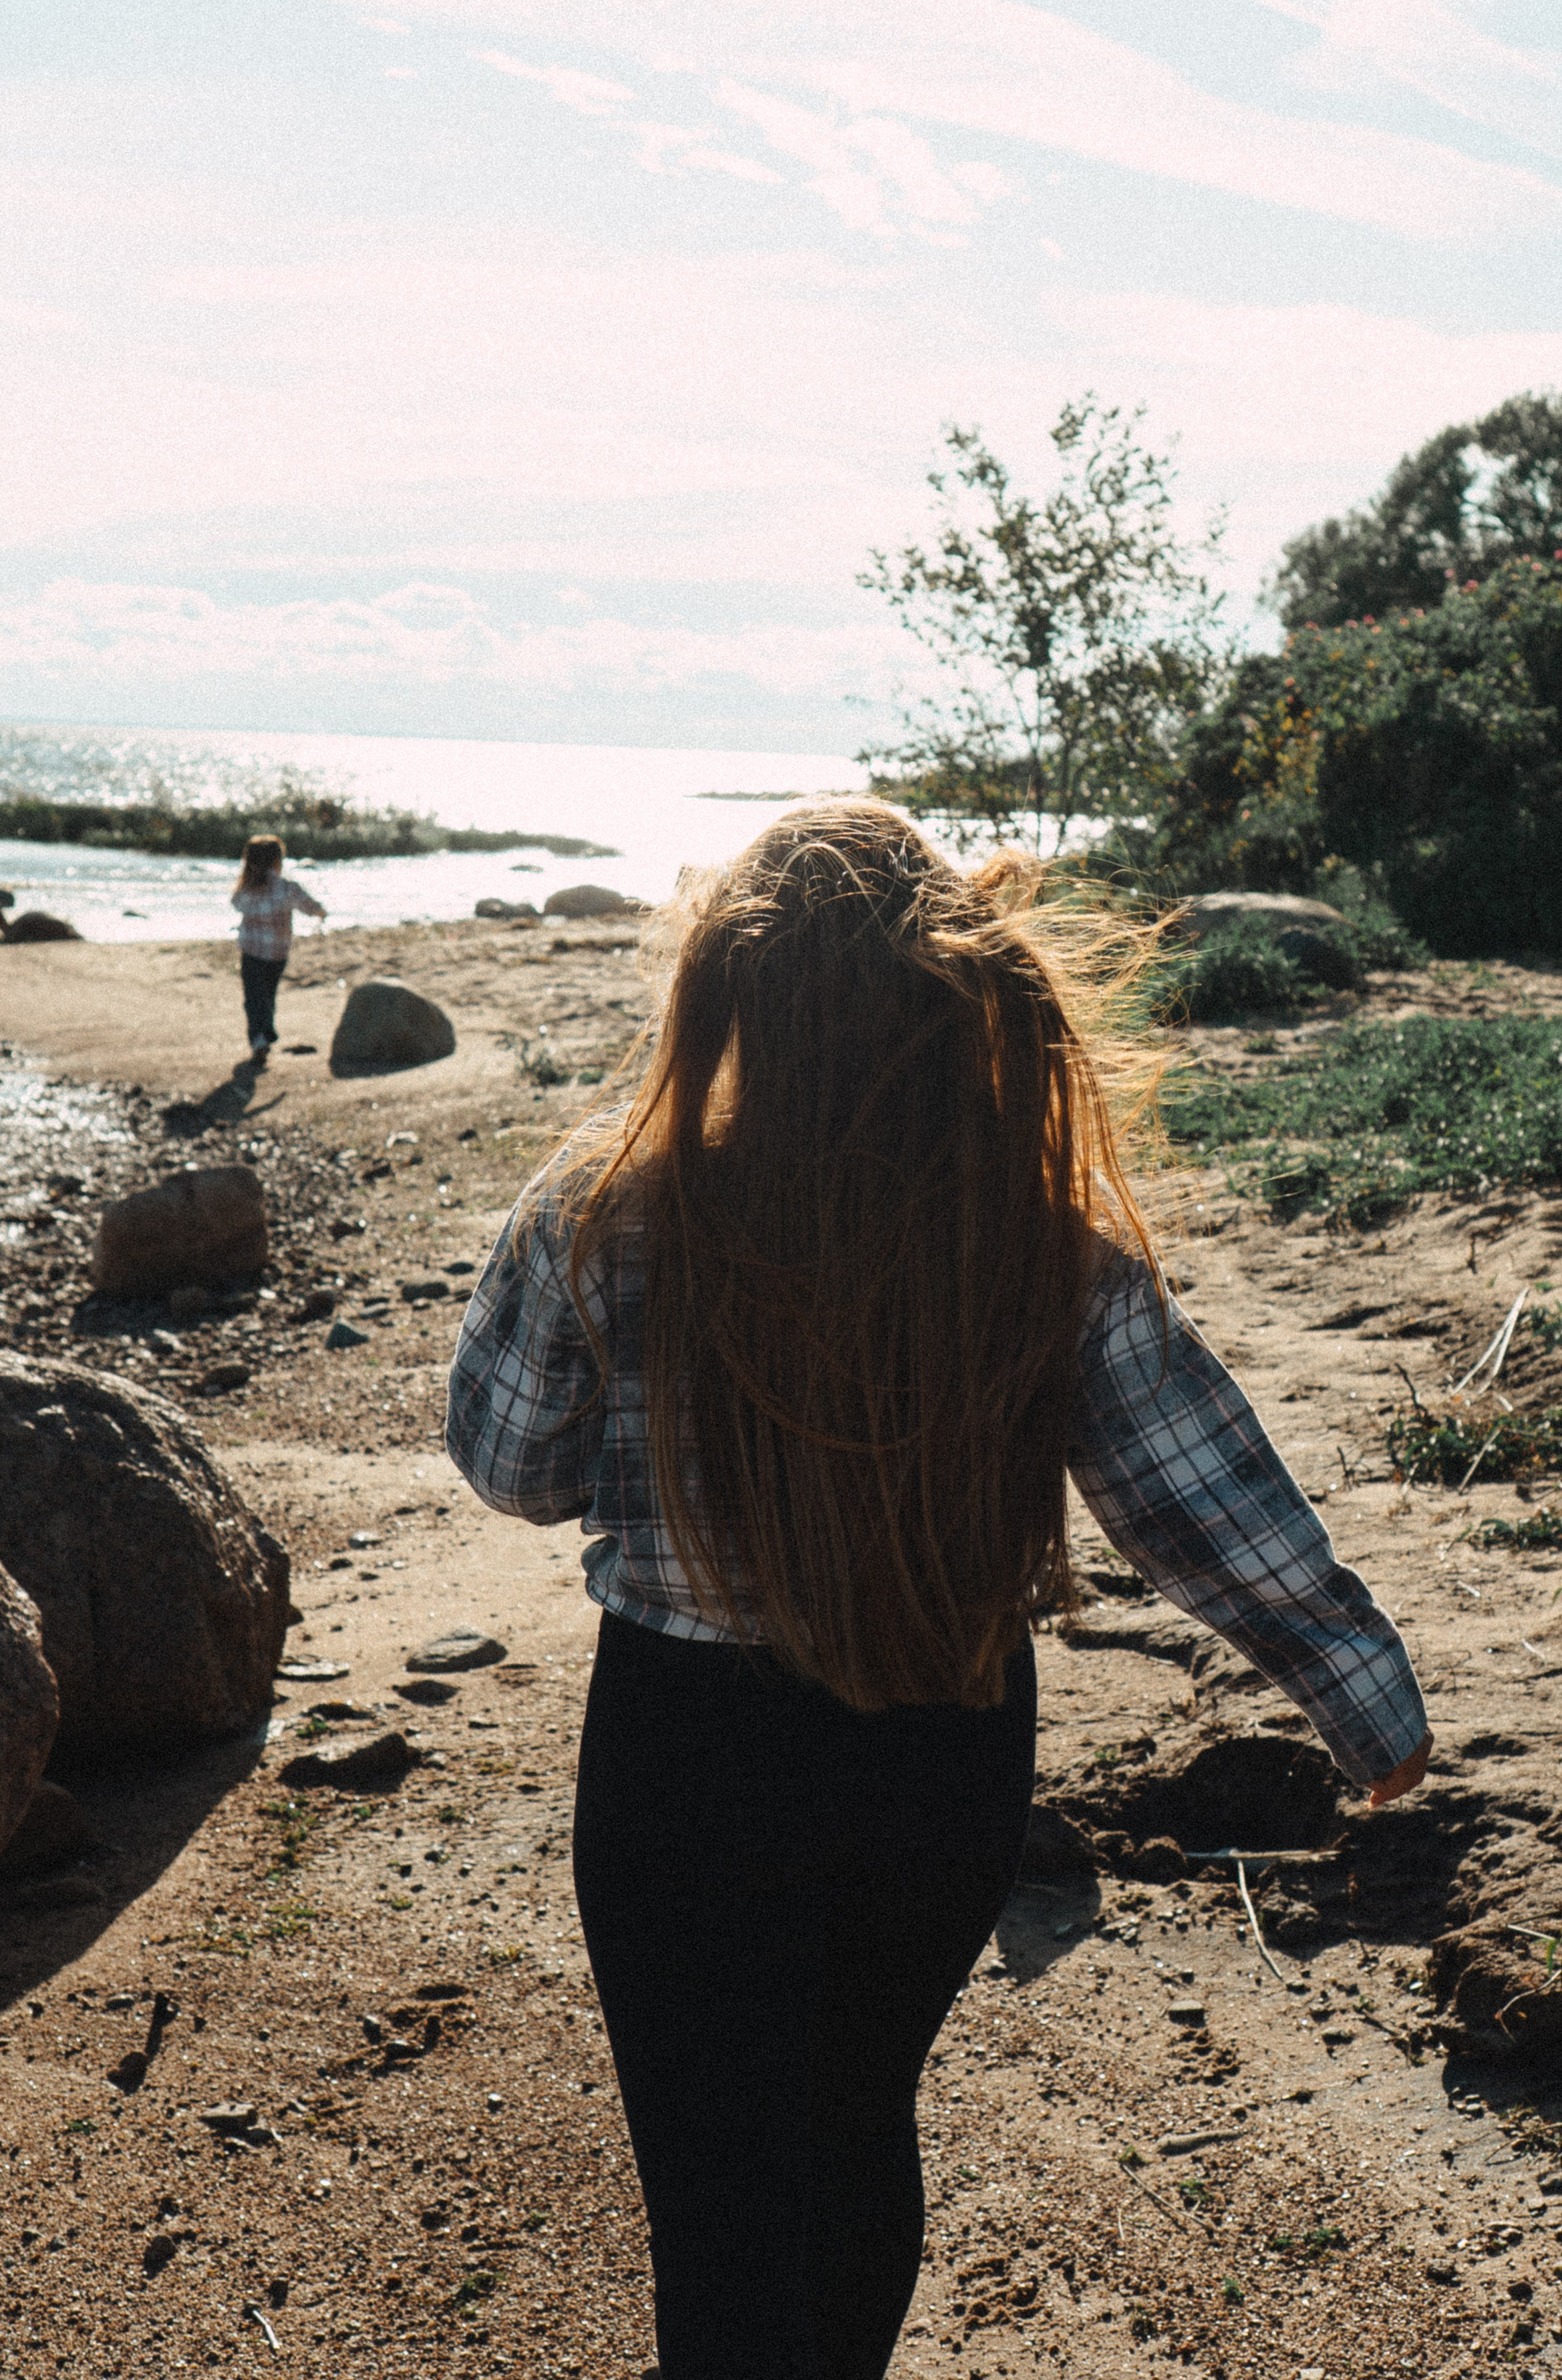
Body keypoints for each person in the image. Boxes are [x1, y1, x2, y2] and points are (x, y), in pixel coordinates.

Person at [445, 801, 1430, 2380]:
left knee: (719, 2194)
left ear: (730, 996)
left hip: (684, 1753)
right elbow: (1197, 1505)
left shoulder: (607, 1211)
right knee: (852, 2123)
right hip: (942, 1743)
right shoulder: (1046, 1243)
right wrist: (1361, 1699)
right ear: (948, 999)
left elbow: (506, 1463)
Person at [230, 833, 325, 1064]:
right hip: (278, 953)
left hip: (252, 951)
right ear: (277, 862)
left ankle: (260, 1038)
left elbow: (236, 904)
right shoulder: (287, 888)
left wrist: (248, 882)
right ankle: (267, 1030)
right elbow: (308, 905)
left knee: (254, 997)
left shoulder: (248, 889)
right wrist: (321, 912)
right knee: (268, 993)